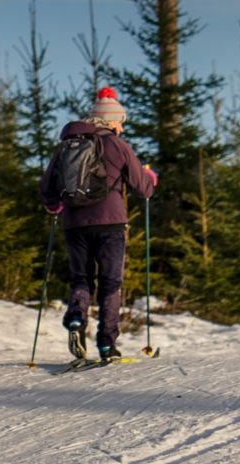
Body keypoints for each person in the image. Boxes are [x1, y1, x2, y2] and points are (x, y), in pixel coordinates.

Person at [39, 87, 156, 363]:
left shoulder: (66, 145)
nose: (120, 126)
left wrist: (53, 204)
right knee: (110, 283)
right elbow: (143, 187)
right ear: (111, 120)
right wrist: (151, 178)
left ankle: (77, 319)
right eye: (119, 121)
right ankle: (106, 344)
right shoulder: (118, 145)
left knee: (81, 279)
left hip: (74, 224)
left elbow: (47, 187)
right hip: (111, 223)